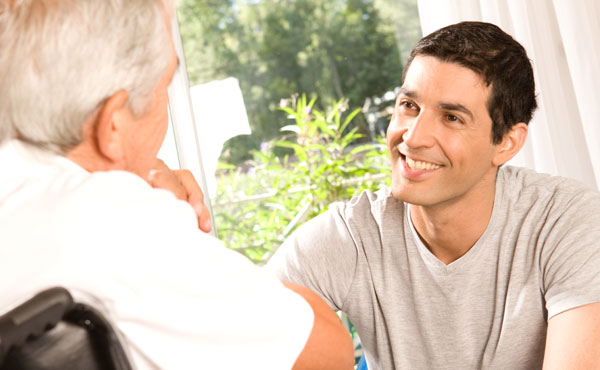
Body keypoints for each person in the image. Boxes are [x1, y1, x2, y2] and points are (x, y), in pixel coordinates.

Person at [0, 0, 353, 369]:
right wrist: (168, 212)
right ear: (113, 125)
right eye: (165, 84)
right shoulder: (113, 222)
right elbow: (326, 353)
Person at [267, 21, 600, 369]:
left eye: (452, 117)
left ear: (505, 143)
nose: (413, 137)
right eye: (409, 105)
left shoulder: (568, 225)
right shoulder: (352, 237)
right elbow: (235, 327)